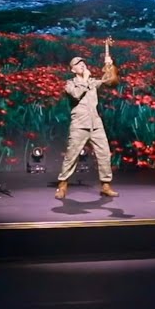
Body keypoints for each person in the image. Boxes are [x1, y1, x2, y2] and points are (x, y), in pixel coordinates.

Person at [56, 39, 119, 200]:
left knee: (104, 154)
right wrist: (84, 80)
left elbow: (109, 82)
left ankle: (106, 185)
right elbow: (76, 94)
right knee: (72, 155)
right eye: (78, 64)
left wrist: (109, 66)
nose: (82, 65)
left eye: (83, 63)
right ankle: (62, 185)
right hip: (79, 124)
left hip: (95, 123)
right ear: (73, 69)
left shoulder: (92, 82)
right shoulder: (70, 84)